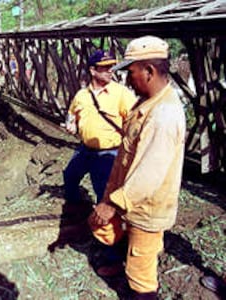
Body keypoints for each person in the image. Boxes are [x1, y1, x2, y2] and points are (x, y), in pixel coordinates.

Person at [88, 36, 186, 299]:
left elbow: (148, 176)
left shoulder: (163, 115)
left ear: (149, 71)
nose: (128, 80)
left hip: (146, 207)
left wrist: (112, 204)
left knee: (140, 273)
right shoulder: (147, 102)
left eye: (131, 72)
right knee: (112, 235)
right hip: (133, 201)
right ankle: (121, 262)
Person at [63, 50, 137, 212]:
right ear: (92, 70)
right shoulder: (82, 95)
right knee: (70, 175)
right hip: (85, 149)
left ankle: (104, 229)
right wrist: (72, 125)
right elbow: (71, 114)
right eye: (105, 67)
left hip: (109, 152)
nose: (111, 70)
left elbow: (135, 122)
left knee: (103, 189)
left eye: (111, 66)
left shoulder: (121, 93)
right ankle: (75, 209)